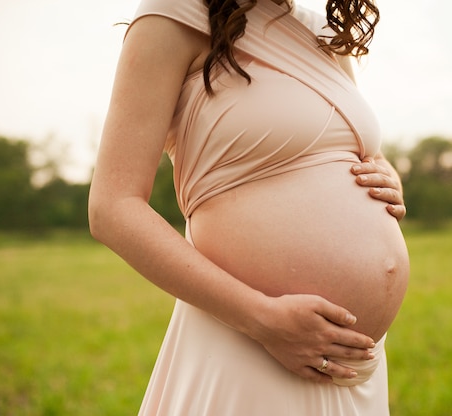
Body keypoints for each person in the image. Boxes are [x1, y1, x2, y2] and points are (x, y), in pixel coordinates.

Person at [88, 0, 409, 414]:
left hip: (353, 362)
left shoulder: (327, 38)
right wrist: (263, 319)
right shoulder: (173, 15)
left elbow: (359, 149)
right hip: (251, 338)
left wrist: (390, 176)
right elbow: (111, 208)